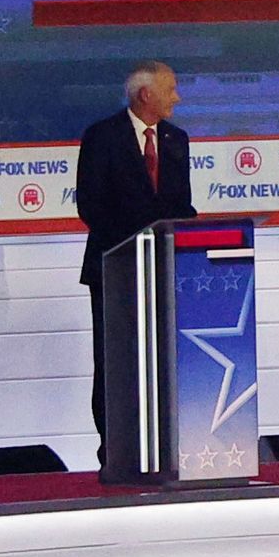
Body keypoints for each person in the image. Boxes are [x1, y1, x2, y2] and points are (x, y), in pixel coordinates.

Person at [73, 63, 195, 449]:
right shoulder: (102, 137)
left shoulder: (177, 139)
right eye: (170, 89)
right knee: (115, 362)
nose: (177, 97)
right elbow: (92, 206)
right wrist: (142, 234)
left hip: (162, 269)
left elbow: (181, 205)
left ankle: (162, 443)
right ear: (146, 94)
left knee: (161, 360)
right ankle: (115, 448)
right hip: (116, 268)